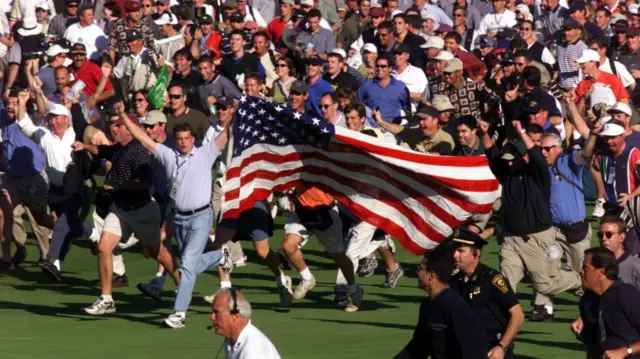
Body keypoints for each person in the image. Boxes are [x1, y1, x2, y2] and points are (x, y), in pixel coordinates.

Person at [116, 104, 233, 328]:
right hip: (178, 218)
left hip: (200, 217)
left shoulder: (205, 153)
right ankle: (219, 257)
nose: (183, 142)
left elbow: (226, 133)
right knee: (190, 264)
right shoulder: (168, 155)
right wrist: (123, 115)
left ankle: (179, 313)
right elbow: (142, 138)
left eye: (187, 138)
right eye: (179, 138)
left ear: (193, 139)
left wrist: (239, 111)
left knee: (187, 266)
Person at [72, 107, 181, 316]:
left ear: (130, 131)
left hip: (142, 210)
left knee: (157, 252)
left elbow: (144, 182)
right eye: (113, 124)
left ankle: (181, 283)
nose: (114, 128)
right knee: (104, 247)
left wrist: (119, 187)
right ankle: (106, 299)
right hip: (120, 209)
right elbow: (103, 151)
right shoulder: (120, 148)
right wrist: (83, 145)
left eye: (119, 125)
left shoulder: (138, 152)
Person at [482, 120, 582, 321]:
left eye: (513, 159)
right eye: (507, 159)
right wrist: (484, 132)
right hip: (511, 239)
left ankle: (581, 281)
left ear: (525, 157)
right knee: (505, 282)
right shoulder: (507, 173)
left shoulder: (538, 174)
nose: (509, 163)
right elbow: (491, 154)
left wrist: (520, 130)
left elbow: (536, 155)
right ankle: (502, 318)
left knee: (544, 285)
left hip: (536, 238)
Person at [393, 244, 488, 359]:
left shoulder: (453, 306)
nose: (417, 273)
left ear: (431, 275)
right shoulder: (428, 304)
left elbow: (475, 347)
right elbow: (419, 346)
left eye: (420, 269)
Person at [448, 227, 525, 359]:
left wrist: (501, 347)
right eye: (454, 250)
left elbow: (517, 315)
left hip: (492, 351)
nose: (455, 255)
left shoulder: (492, 280)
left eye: (461, 251)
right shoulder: (454, 282)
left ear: (476, 253)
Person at [578, 247, 640, 358]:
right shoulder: (587, 301)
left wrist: (626, 351)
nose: (580, 271)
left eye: (586, 268)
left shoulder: (626, 295)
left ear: (601, 271)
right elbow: (592, 344)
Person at [210, 288, 281, 359]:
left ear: (235, 317)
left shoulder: (253, 351)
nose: (212, 317)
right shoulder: (231, 340)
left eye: (217, 312)